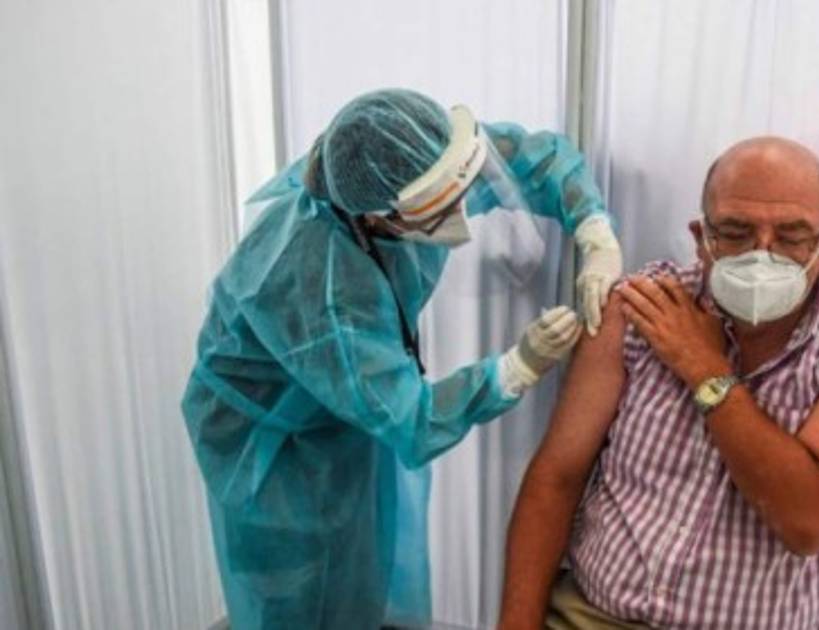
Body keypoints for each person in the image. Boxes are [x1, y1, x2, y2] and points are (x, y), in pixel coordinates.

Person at [181, 88, 623, 630]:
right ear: (379, 219)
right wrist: (517, 367)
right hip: (270, 442)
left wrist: (595, 230)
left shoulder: (415, 162)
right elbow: (411, 421)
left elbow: (535, 158)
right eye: (438, 210)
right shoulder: (323, 288)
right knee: (300, 584)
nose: (462, 212)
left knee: (361, 564)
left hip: (345, 398)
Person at [498, 137, 819, 629]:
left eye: (791, 237)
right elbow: (557, 477)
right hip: (592, 617)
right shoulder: (642, 308)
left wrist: (705, 368)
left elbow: (807, 522)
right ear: (701, 239)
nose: (762, 255)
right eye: (737, 232)